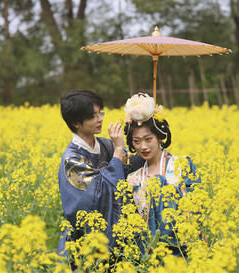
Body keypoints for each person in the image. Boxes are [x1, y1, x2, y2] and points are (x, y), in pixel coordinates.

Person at [57, 90, 143, 258]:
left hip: (117, 236)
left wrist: (144, 129)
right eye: (93, 116)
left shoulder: (105, 145)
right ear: (76, 123)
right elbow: (101, 193)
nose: (100, 119)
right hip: (87, 244)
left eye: (100, 113)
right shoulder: (71, 161)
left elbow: (130, 171)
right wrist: (118, 150)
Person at [123, 93, 201, 256]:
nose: (143, 146)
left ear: (160, 137)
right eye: (136, 141)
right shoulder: (133, 178)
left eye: (148, 139)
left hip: (185, 250)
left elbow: (197, 208)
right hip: (150, 255)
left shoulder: (183, 165)